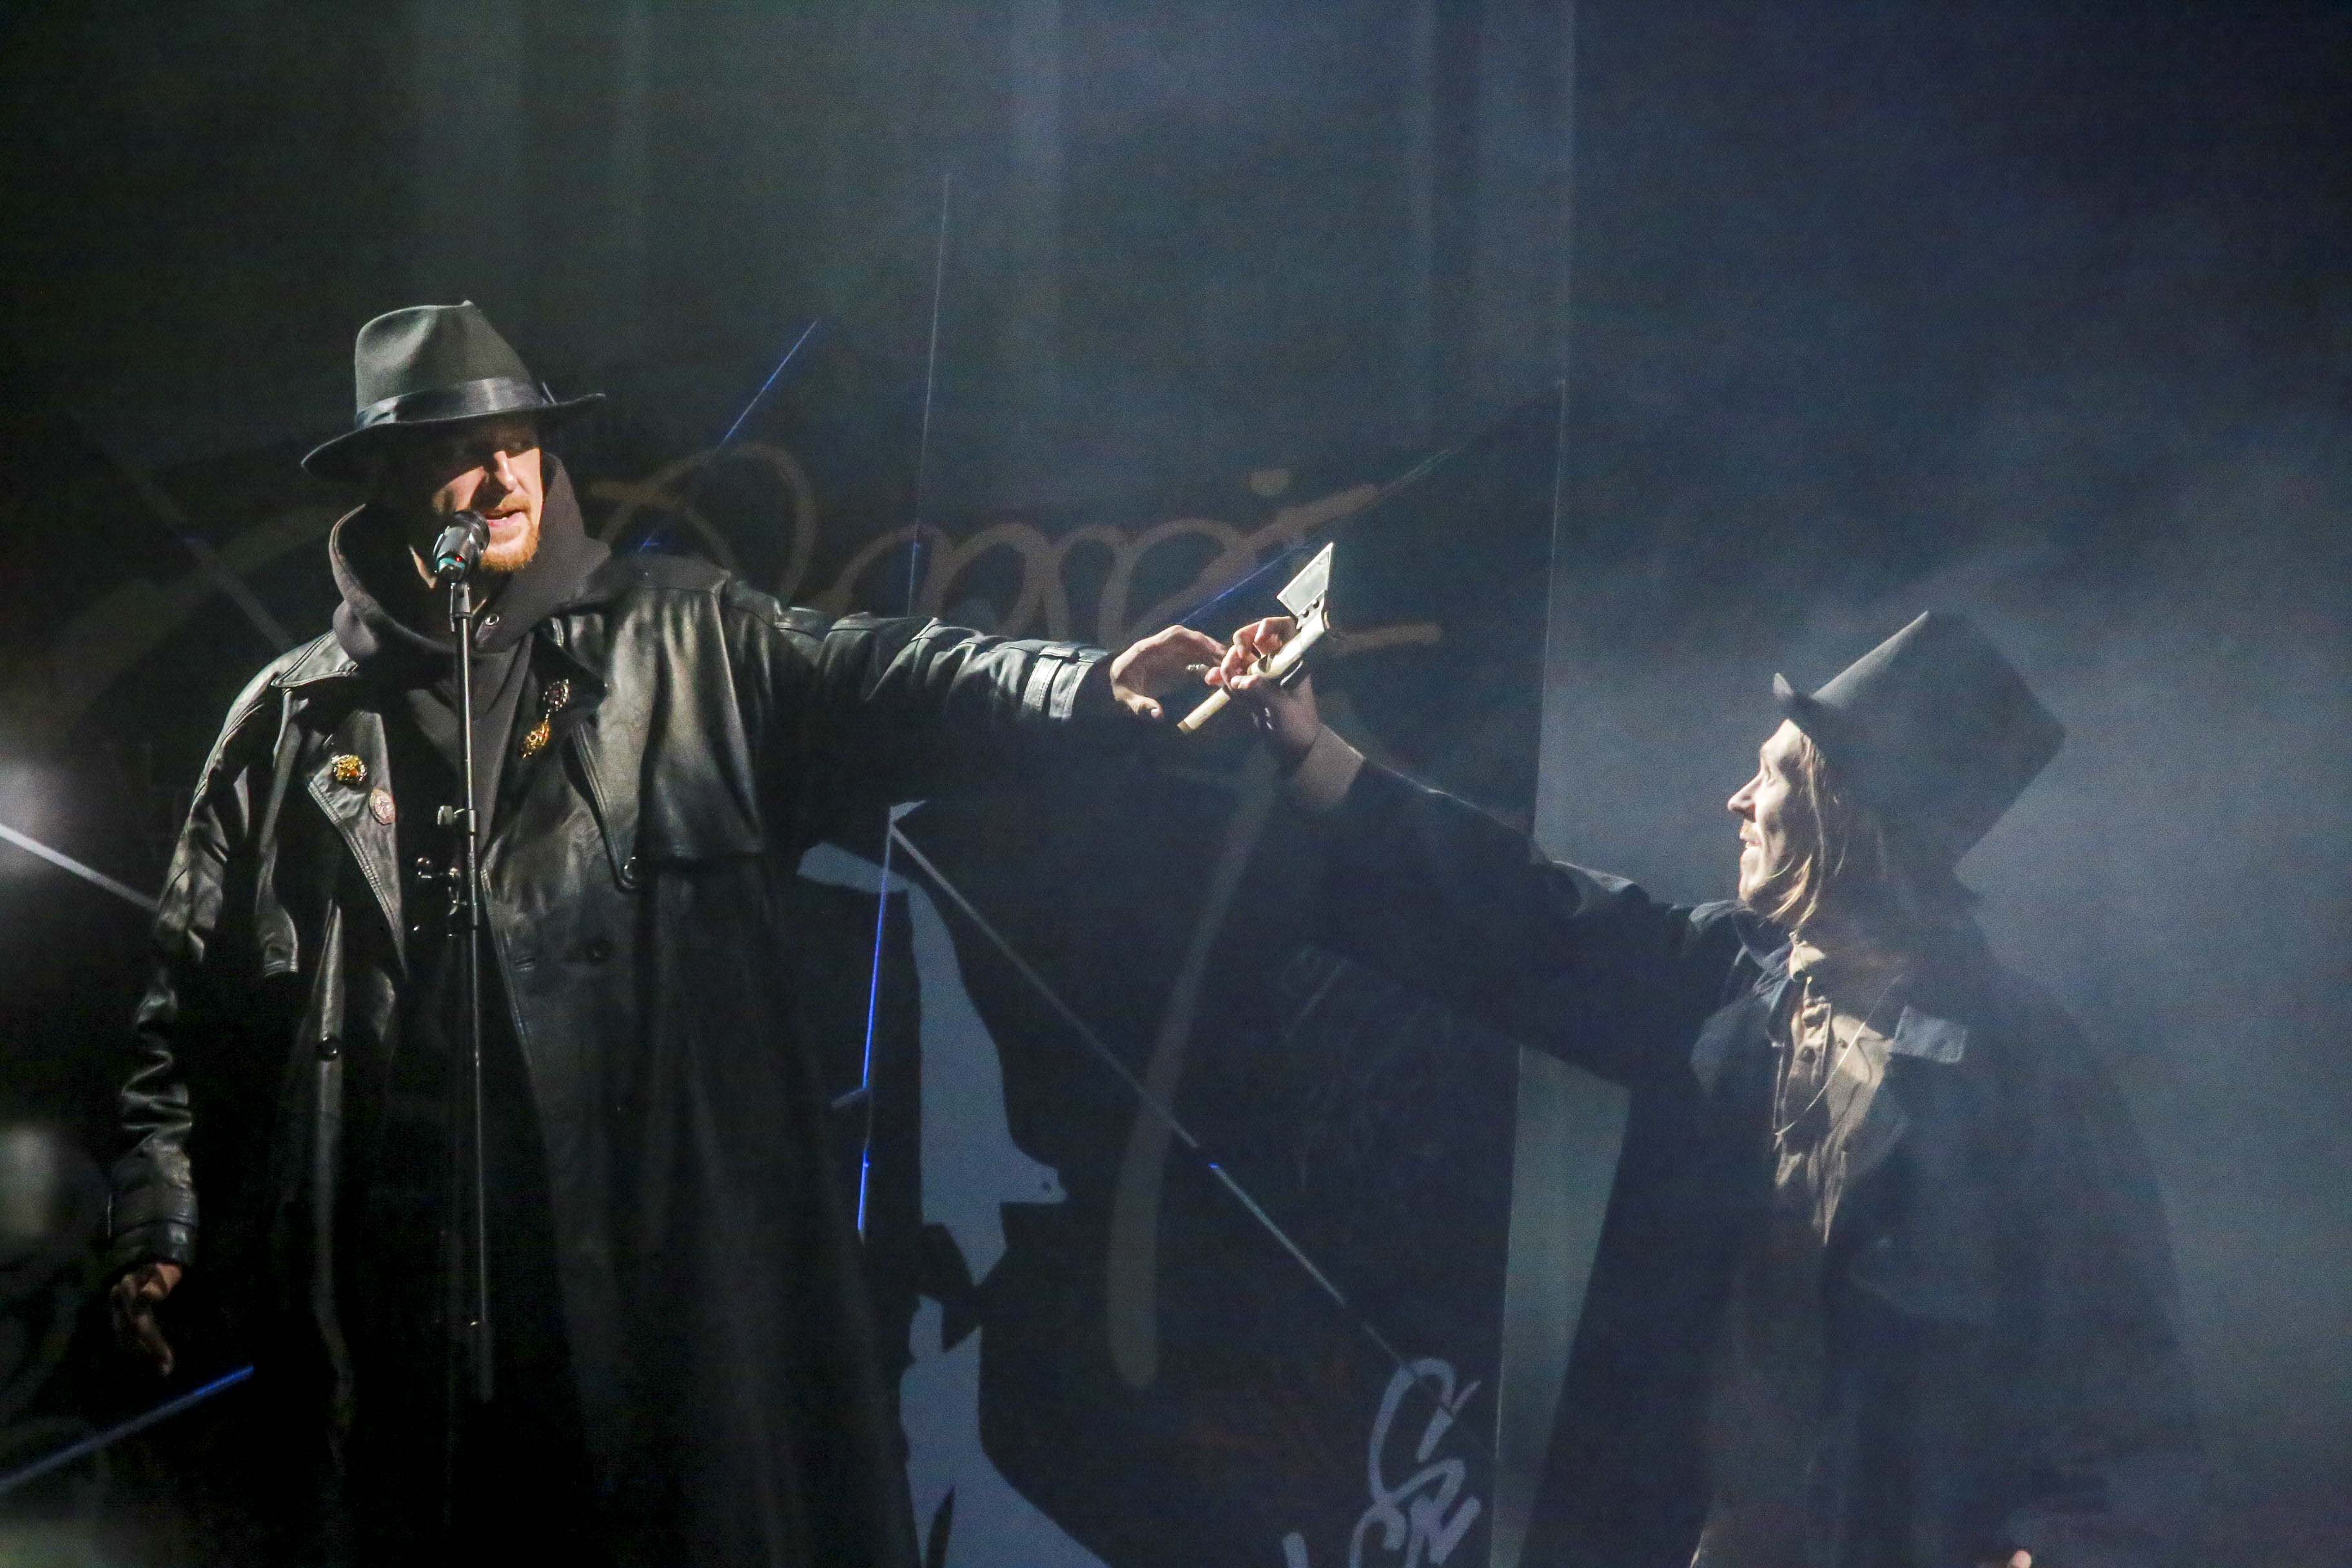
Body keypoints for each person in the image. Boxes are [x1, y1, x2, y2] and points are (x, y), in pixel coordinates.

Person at [103, 301, 1222, 1566]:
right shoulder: (292, 723)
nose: (504, 478)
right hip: (406, 1302)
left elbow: (888, 674)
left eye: (521, 443)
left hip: (651, 1275)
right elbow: (185, 1017)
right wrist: (158, 1228)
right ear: (389, 480)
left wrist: (1087, 685)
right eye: (463, 451)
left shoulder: (684, 642)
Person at [1210, 610, 2203, 1568]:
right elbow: (1519, 916)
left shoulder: (2018, 1070)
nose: (1737, 801)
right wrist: (1311, 749)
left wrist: (2052, 1551)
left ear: (1845, 815)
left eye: (1772, 775)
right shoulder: (1731, 985)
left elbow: (2123, 1372)